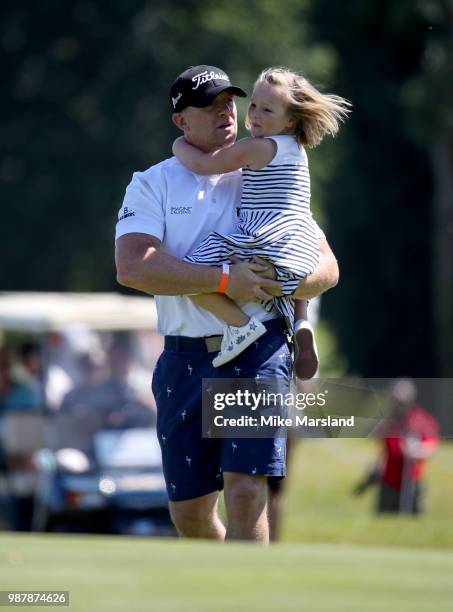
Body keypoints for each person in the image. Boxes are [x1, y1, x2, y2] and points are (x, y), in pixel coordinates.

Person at [115, 64, 339, 542]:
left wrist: (278, 283)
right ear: (181, 121)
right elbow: (133, 267)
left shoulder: (263, 165)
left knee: (245, 493)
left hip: (259, 352)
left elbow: (327, 268)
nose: (227, 113)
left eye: (229, 102)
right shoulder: (152, 183)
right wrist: (224, 281)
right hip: (185, 356)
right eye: (209, 105)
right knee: (191, 515)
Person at [172, 67, 349, 375]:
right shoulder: (297, 150)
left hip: (263, 235)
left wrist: (178, 146)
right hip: (298, 239)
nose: (254, 114)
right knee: (293, 271)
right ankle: (302, 319)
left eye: (267, 109)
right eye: (253, 105)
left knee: (190, 273)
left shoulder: (257, 147)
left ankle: (240, 326)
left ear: (290, 119)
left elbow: (204, 165)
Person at [353, 379, 440, 514]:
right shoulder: (389, 421)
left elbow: (430, 448)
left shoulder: (422, 420)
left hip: (411, 482)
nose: (396, 404)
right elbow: (372, 436)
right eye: (394, 400)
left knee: (412, 525)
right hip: (388, 481)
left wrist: (415, 450)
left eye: (399, 401)